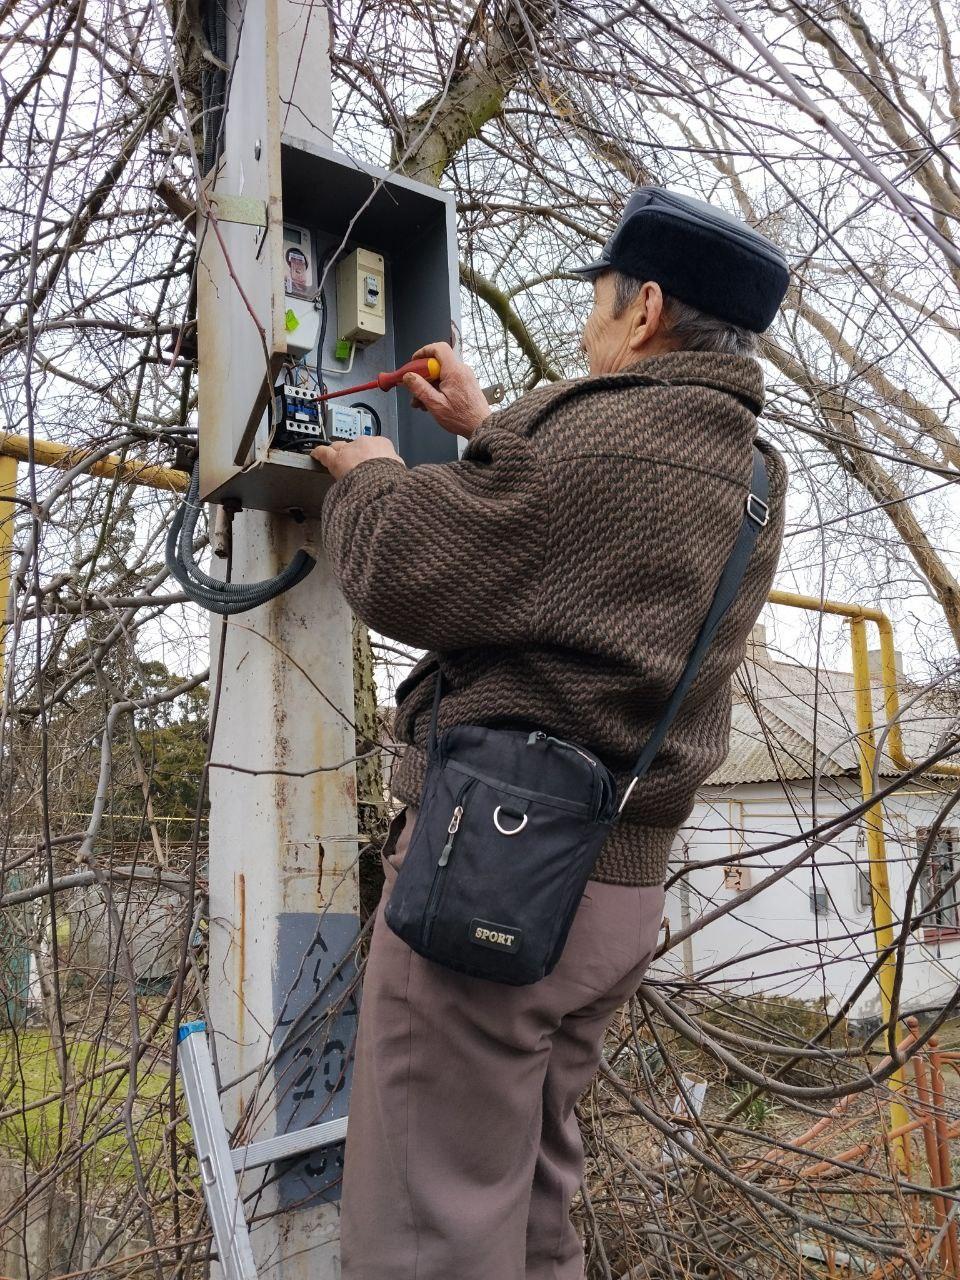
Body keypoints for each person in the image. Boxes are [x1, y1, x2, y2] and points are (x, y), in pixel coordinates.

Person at [312, 186, 790, 1280]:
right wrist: (488, 428)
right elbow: (593, 548)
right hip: (615, 890)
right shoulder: (756, 469)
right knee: (529, 1208)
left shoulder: (615, 441)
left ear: (646, 308)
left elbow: (406, 566)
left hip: (498, 873)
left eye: (600, 298)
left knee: (430, 1227)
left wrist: (370, 472)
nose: (588, 320)